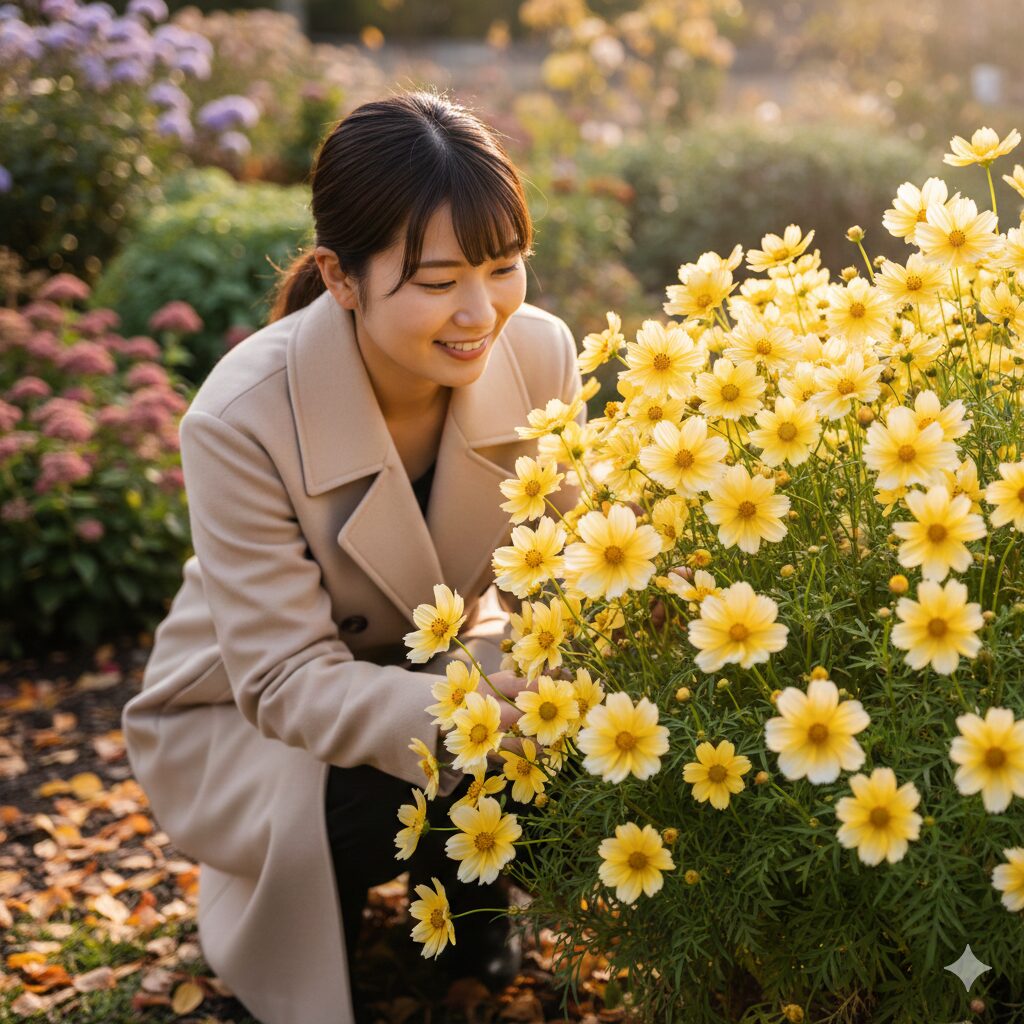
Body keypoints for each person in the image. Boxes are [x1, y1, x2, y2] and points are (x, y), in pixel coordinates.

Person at [122, 90, 582, 1024]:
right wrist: (479, 716)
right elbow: (285, 676)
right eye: (437, 278)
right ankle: (328, 898)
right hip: (245, 715)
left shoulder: (539, 352)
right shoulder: (240, 415)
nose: (479, 311)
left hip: (431, 671)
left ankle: (472, 901)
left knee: (590, 738)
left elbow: (567, 577)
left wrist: (553, 682)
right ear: (339, 275)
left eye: (504, 266)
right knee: (384, 795)